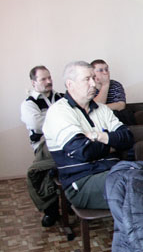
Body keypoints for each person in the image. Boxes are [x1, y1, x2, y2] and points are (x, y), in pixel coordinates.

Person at [43, 61, 133, 210]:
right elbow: (83, 151)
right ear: (70, 84)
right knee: (137, 185)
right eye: (87, 79)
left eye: (93, 78)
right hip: (82, 181)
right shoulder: (58, 112)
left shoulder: (102, 109)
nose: (94, 84)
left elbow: (128, 138)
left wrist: (97, 136)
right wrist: (112, 145)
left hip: (114, 171)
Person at [20, 66, 63, 226]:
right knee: (44, 172)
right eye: (43, 79)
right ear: (34, 82)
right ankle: (51, 210)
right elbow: (37, 124)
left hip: (65, 142)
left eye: (49, 77)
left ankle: (72, 202)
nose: (48, 81)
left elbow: (76, 118)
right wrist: (62, 119)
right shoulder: (29, 104)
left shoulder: (62, 98)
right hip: (44, 146)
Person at [91, 59, 134, 125]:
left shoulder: (116, 85)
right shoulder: (88, 87)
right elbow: (94, 107)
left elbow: (121, 106)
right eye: (101, 70)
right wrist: (105, 85)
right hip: (97, 120)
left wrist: (100, 108)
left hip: (116, 117)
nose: (105, 72)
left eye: (106, 69)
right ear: (92, 74)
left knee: (124, 113)